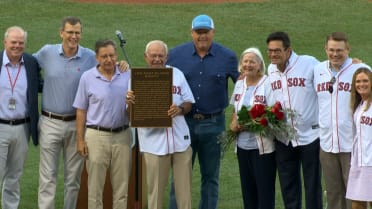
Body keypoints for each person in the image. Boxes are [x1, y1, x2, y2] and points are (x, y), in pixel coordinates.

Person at [34, 16, 129, 209]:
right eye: (69, 32)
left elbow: (108, 64)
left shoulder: (88, 56)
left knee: (73, 179)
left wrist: (120, 65)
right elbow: (27, 65)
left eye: (77, 32)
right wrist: (38, 85)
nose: (73, 36)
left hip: (78, 123)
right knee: (47, 177)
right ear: (61, 33)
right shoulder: (46, 52)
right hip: (50, 121)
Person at [166, 14, 239, 209]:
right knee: (180, 176)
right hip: (183, 124)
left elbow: (244, 86)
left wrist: (237, 114)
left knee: (211, 176)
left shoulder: (228, 57)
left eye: (206, 32)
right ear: (191, 33)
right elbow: (158, 77)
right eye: (198, 32)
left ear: (213, 32)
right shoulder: (175, 55)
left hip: (214, 124)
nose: (202, 36)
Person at [126, 40, 195, 209]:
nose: (157, 59)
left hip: (180, 142)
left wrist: (179, 109)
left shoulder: (177, 74)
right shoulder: (137, 79)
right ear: (146, 57)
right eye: (153, 56)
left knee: (184, 193)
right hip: (154, 144)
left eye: (160, 56)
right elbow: (130, 113)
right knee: (155, 193)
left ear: (166, 57)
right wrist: (131, 103)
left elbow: (189, 102)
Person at [266, 31, 322, 209]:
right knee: (288, 185)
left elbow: (329, 75)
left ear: (288, 50)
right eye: (270, 51)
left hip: (310, 136)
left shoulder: (309, 63)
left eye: (277, 51)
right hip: (284, 138)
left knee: (312, 184)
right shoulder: (270, 69)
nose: (273, 54)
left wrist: (354, 64)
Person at [313, 32, 370, 209]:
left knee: (355, 196)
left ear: (348, 49)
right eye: (331, 50)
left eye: (339, 50)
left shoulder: (360, 70)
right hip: (327, 144)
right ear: (325, 49)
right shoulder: (318, 70)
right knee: (333, 193)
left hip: (353, 145)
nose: (335, 54)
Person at [73, 39, 132, 209]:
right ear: (97, 58)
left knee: (122, 188)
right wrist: (80, 140)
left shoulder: (127, 74)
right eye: (104, 56)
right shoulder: (87, 77)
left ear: (116, 56)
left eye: (112, 55)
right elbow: (81, 110)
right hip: (96, 136)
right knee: (95, 187)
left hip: (122, 135)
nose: (109, 60)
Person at [229, 47, 276, 209]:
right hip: (242, 147)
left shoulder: (267, 83)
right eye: (245, 61)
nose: (248, 65)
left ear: (259, 65)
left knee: (264, 192)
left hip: (262, 148)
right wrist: (233, 124)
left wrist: (251, 123)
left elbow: (275, 112)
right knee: (248, 191)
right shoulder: (240, 83)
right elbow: (235, 109)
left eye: (252, 62)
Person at [0, 26, 41, 209]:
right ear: (5, 42)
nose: (17, 46)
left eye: (21, 43)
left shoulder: (31, 62)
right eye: (13, 42)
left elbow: (41, 86)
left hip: (23, 128)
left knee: (14, 176)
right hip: (0, 127)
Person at [347, 67, 372, 209]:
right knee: (357, 204)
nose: (361, 84)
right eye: (357, 81)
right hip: (359, 161)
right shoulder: (359, 105)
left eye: (365, 81)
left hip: (371, 162)